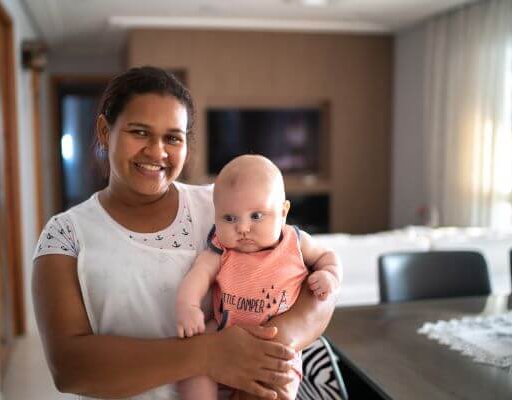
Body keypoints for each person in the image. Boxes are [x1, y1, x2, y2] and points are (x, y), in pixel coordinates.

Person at [32, 66, 337, 400]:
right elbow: (69, 367)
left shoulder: (223, 207)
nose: (157, 151)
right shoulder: (66, 235)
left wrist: (268, 347)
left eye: (172, 138)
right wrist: (209, 353)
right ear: (105, 131)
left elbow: (312, 284)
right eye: (140, 132)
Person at [175, 155, 342, 399]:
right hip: (223, 335)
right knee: (193, 366)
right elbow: (198, 275)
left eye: (256, 216)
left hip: (274, 350)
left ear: (283, 212)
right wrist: (187, 306)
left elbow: (327, 255)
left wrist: (329, 275)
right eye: (229, 218)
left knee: (276, 384)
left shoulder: (295, 242)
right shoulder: (222, 249)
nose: (242, 228)